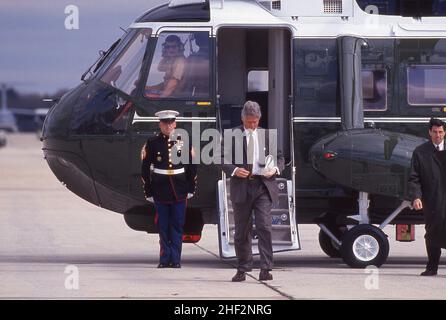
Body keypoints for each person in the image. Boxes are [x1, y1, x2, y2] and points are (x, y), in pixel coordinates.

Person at [220, 101, 285, 282]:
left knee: (264, 226)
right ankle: (243, 268)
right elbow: (220, 157)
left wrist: (276, 169)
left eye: (255, 121)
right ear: (242, 119)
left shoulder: (267, 136)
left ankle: (266, 268)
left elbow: (280, 157)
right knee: (242, 230)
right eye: (249, 122)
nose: (252, 125)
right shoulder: (231, 135)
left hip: (262, 185)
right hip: (242, 186)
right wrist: (234, 170)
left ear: (259, 118)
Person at [141, 110, 197, 268]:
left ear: (175, 124)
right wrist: (148, 190)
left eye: (171, 123)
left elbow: (192, 165)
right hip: (160, 189)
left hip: (179, 189)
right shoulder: (152, 143)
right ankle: (164, 259)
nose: (168, 126)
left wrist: (191, 187)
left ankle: (176, 259)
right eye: (165, 123)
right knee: (163, 225)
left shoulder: (183, 141)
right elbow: (145, 168)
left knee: (177, 225)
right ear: (160, 124)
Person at [408, 117, 446, 276]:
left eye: (441, 132)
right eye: (435, 132)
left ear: (445, 133)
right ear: (429, 132)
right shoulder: (421, 152)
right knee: (432, 232)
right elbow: (413, 177)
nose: (438, 135)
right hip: (433, 199)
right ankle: (432, 267)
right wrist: (416, 197)